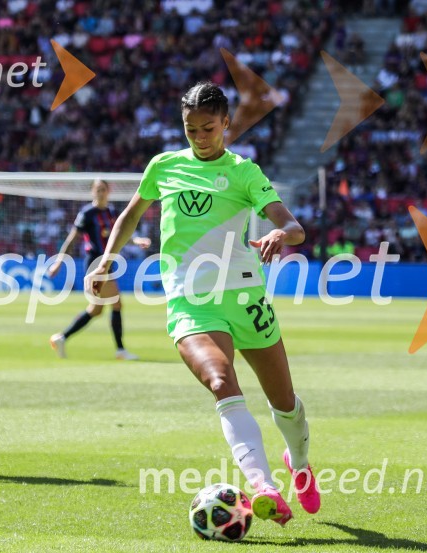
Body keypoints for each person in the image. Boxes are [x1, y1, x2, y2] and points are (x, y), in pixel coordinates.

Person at [85, 82, 319, 525]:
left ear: (226, 123)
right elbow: (131, 213)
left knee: (285, 404)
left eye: (208, 128)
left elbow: (294, 227)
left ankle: (300, 465)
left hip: (247, 300)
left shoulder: (245, 172)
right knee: (219, 379)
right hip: (192, 303)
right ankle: (263, 486)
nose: (199, 137)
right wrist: (105, 261)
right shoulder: (164, 166)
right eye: (190, 129)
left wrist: (278, 234)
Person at [46, 178, 150, 360]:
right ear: (93, 192)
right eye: (97, 190)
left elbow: (121, 232)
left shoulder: (111, 212)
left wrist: (136, 240)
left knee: (96, 310)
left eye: (103, 189)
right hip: (95, 264)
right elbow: (71, 239)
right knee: (116, 304)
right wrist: (58, 262)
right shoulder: (87, 213)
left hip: (107, 263)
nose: (100, 193)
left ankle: (61, 338)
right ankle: (120, 350)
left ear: (109, 191)